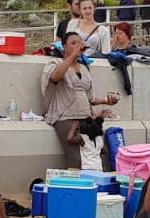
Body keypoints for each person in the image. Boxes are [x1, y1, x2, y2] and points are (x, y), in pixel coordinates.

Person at [42, 30, 119, 168]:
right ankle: (76, 188)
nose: (78, 45)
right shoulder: (55, 63)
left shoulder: (84, 68)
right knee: (77, 159)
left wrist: (108, 101)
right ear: (64, 47)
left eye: (79, 42)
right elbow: (55, 77)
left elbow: (91, 99)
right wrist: (72, 56)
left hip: (86, 117)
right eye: (73, 43)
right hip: (65, 116)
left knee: (100, 154)